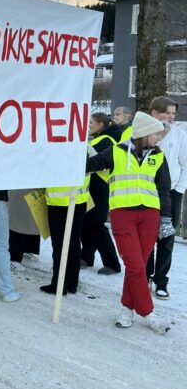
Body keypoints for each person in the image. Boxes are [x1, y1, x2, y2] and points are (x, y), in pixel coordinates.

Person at [86, 111, 172, 334]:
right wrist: (74, 149)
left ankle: (127, 309)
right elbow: (88, 165)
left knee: (139, 266)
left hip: (150, 216)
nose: (159, 137)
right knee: (134, 265)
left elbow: (164, 191)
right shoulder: (115, 152)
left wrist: (166, 219)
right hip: (123, 214)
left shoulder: (158, 156)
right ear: (144, 134)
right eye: (156, 134)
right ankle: (148, 313)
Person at [146, 96, 187, 300]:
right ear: (154, 113)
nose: (171, 117)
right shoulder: (145, 133)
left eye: (173, 113)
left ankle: (161, 280)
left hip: (171, 193)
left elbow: (186, 164)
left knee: (167, 237)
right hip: (147, 192)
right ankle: (145, 276)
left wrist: (179, 190)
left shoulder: (180, 135)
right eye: (167, 113)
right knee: (147, 236)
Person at [81, 112, 122, 275]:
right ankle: (86, 257)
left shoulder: (106, 141)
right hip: (91, 186)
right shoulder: (98, 139)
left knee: (97, 224)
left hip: (100, 187)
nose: (88, 126)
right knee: (87, 222)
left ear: (100, 125)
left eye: (91, 123)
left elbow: (98, 163)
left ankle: (112, 263)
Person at [7, 188, 42, 272]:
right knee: (19, 221)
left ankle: (26, 249)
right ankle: (13, 259)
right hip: (21, 189)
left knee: (32, 221)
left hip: (35, 189)